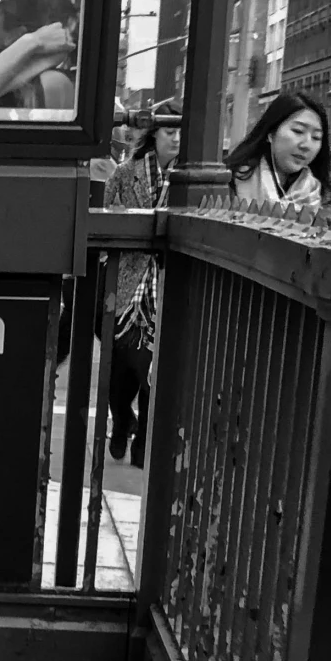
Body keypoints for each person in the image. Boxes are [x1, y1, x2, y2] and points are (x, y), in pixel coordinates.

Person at [105, 98, 181, 467]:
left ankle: (142, 449)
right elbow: (105, 222)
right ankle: (122, 422)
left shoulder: (190, 179)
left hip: (164, 295)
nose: (177, 139)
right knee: (119, 383)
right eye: (170, 130)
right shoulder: (126, 172)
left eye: (183, 131)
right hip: (127, 291)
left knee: (153, 378)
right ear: (154, 135)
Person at [225, 89, 331, 211]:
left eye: (316, 137)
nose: (307, 145)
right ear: (271, 133)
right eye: (298, 131)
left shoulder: (322, 199)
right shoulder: (229, 182)